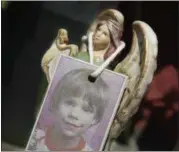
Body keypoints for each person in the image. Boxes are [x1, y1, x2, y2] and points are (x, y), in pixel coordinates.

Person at [27, 69, 109, 151]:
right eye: (69, 103)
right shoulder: (32, 138)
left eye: (86, 109)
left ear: (95, 119)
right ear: (55, 103)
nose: (74, 114)